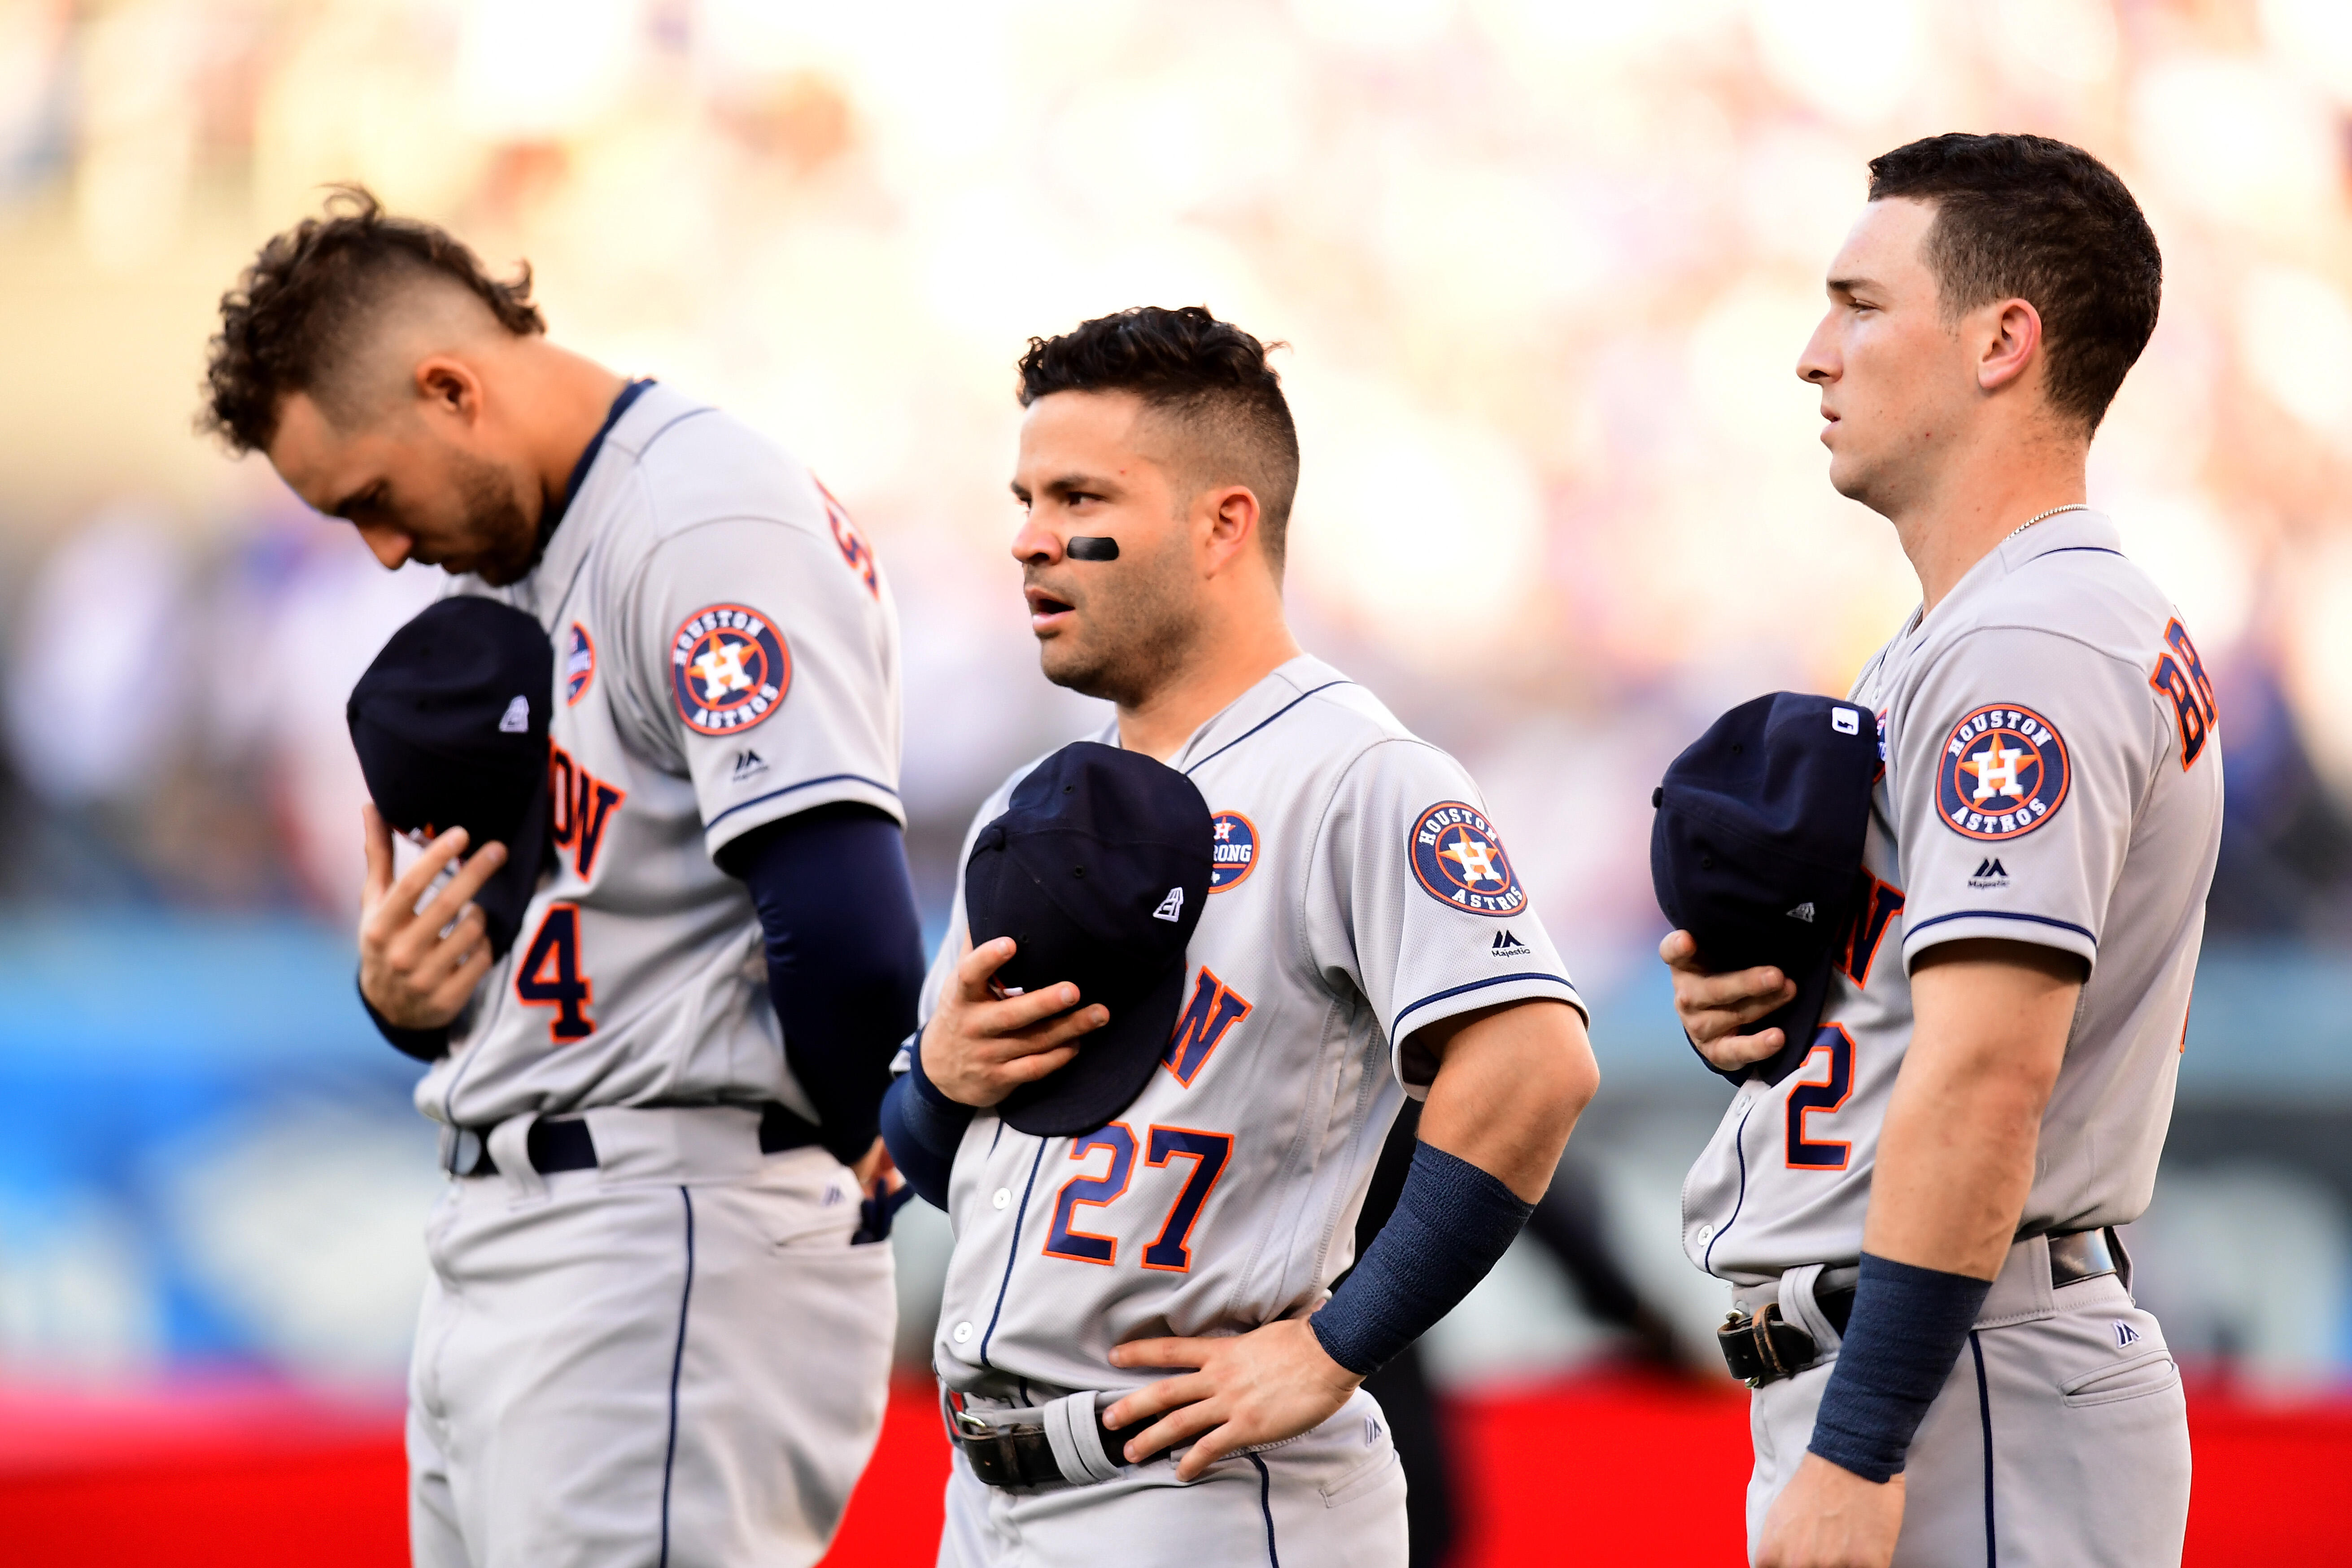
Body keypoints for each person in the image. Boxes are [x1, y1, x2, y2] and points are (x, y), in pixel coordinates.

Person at [199, 188, 925, 1568]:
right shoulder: (525, 553)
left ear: (451, 387)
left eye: (371, 499)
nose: (387, 550)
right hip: (525, 1232)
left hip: (664, 1238)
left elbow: (846, 928)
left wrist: (856, 1163)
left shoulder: (702, 519)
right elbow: (568, 931)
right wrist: (410, 997)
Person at [878, 305, 1600, 1567]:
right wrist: (939, 1083)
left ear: (1223, 523)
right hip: (990, 1490)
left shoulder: (1358, 774)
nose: (1030, 539)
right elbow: (951, 1167)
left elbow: (1535, 1068)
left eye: (1080, 497)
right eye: (1024, 497)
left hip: (1204, 1496)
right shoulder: (1031, 801)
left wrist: (1334, 1345)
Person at [1664, 134, 2220, 1568]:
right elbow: (1938, 1031)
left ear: (2000, 342)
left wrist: (1858, 1449)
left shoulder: (2028, 641)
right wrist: (1781, 1016)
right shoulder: (1984, 628)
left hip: (1958, 1385)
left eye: (1857, 302)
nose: (1812, 353)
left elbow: (1987, 1075)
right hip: (1955, 1363)